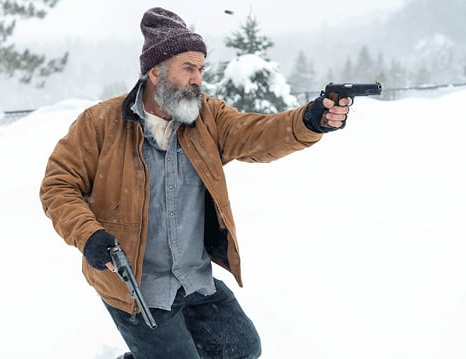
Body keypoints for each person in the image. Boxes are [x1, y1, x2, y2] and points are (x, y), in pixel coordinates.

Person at [40, 7, 352, 359]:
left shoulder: (207, 118)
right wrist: (90, 235)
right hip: (136, 287)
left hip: (193, 278)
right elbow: (58, 186)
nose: (197, 79)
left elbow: (258, 134)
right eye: (188, 68)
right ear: (156, 72)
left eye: (201, 69)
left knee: (243, 349)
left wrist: (309, 121)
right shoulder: (100, 123)